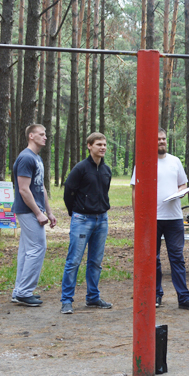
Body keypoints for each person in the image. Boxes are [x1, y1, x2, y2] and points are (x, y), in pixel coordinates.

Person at [129, 128, 189, 311]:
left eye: (163, 139)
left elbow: (182, 184)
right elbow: (135, 190)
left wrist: (180, 192)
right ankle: (155, 294)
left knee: (177, 257)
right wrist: (137, 216)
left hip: (174, 218)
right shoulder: (144, 161)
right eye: (157, 139)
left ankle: (184, 298)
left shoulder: (175, 161)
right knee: (152, 259)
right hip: (151, 219)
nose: (161, 142)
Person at [59, 132, 114, 314]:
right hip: (82, 219)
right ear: (89, 146)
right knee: (74, 260)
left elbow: (104, 192)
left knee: (96, 261)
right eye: (99, 144)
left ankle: (93, 297)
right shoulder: (80, 168)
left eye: (104, 144)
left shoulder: (106, 170)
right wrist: (74, 212)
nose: (103, 147)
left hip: (102, 219)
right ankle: (66, 300)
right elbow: (69, 190)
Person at [11, 124, 57, 307]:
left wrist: (49, 211)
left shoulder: (37, 158)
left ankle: (19, 291)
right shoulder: (25, 158)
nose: (45, 137)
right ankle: (24, 292)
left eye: (45, 134)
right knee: (38, 248)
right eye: (41, 134)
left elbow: (40, 187)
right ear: (31, 136)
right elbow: (23, 189)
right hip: (27, 210)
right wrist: (38, 213)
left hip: (34, 210)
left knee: (26, 251)